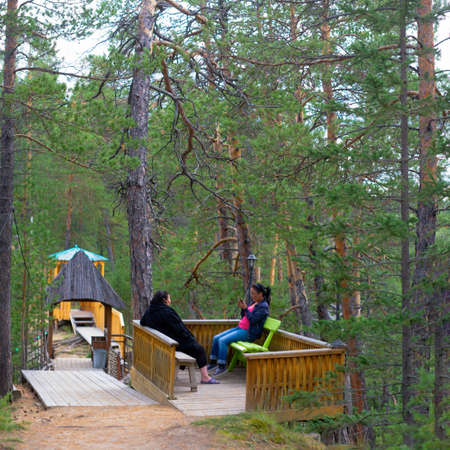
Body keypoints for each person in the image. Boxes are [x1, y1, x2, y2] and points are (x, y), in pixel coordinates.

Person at [140, 290, 219, 384]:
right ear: (164, 300)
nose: (170, 300)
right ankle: (205, 377)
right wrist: (190, 338)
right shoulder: (167, 311)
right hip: (171, 345)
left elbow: (142, 322)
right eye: (169, 298)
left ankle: (177, 373)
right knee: (199, 349)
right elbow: (179, 329)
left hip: (160, 344)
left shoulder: (150, 310)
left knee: (193, 347)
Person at [208, 283, 271, 377]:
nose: (252, 296)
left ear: (261, 294)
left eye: (254, 293)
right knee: (216, 338)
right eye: (251, 293)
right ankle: (213, 363)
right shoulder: (254, 303)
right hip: (240, 328)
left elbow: (253, 320)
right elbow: (244, 316)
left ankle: (221, 366)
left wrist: (246, 309)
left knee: (222, 341)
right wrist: (243, 309)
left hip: (249, 333)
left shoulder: (264, 307)